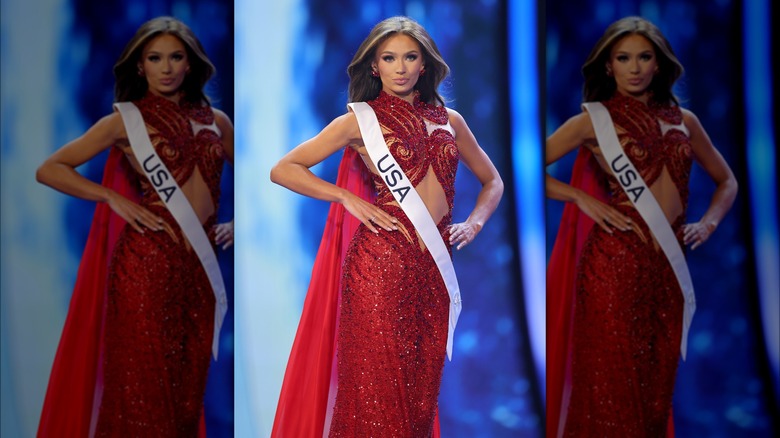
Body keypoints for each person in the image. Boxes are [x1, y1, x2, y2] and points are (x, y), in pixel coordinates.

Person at [270, 15, 503, 437]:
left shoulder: (451, 120)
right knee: (375, 396)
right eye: (389, 58)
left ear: (424, 65)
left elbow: (493, 181)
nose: (400, 67)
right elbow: (284, 169)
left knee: (417, 401)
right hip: (378, 268)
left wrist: (475, 224)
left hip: (432, 272)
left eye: (409, 57)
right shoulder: (360, 120)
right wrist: (346, 197)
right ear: (374, 66)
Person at [35, 16, 234, 437]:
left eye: (175, 57)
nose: (166, 67)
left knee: (184, 397)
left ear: (190, 63)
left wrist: (242, 222)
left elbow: (258, 179)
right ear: (139, 66)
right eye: (155, 58)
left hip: (197, 274)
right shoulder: (126, 120)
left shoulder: (217, 121)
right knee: (142, 394)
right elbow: (50, 169)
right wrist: (112, 197)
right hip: (144, 267)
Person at [546, 16, 737, 437]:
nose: (634, 67)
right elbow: (524, 168)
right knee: (611, 386)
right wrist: (580, 197)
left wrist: (708, 223)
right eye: (623, 58)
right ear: (608, 66)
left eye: (644, 57)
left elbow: (728, 181)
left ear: (659, 64)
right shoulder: (593, 120)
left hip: (666, 270)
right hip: (612, 265)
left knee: (654, 391)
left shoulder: (684, 120)